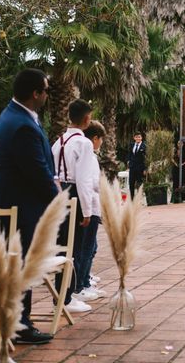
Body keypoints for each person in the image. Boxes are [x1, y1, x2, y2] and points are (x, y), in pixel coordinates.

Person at [0, 68, 57, 344]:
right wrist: (57, 199)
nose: (48, 95)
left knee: (18, 261)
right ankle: (17, 324)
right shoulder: (22, 124)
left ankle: (8, 321)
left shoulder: (16, 115)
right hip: (17, 203)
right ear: (35, 93)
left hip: (14, 200)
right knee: (20, 262)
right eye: (46, 90)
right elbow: (36, 170)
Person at [51, 99, 104, 312]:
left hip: (59, 193)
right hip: (75, 193)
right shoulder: (83, 143)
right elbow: (83, 179)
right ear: (86, 119)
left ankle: (62, 295)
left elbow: (54, 173)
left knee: (63, 246)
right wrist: (88, 210)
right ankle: (66, 297)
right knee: (74, 248)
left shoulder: (59, 142)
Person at [75, 120, 105, 299]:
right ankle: (82, 283)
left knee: (89, 247)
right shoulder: (90, 156)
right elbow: (92, 182)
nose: (101, 143)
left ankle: (84, 279)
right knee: (88, 248)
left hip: (91, 206)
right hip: (91, 207)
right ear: (95, 139)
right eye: (101, 139)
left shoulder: (89, 154)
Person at [128, 131, 146, 199]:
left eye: (139, 137)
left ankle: (139, 198)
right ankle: (131, 199)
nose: (138, 138)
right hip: (132, 167)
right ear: (134, 138)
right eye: (136, 137)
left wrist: (145, 169)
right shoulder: (132, 145)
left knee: (139, 183)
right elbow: (129, 154)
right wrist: (128, 162)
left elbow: (145, 158)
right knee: (131, 183)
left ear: (141, 138)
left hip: (140, 168)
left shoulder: (144, 146)